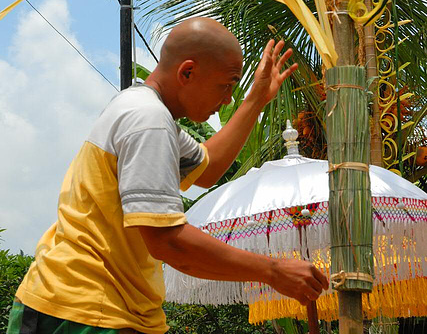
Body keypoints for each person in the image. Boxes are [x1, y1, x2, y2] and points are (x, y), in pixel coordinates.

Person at [8, 17, 329, 334]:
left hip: (103, 307)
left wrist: (256, 99)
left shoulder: (143, 110)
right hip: (81, 308)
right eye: (226, 85)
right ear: (187, 72)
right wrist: (273, 271)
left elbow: (208, 168)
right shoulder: (148, 121)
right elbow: (167, 241)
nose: (228, 99)